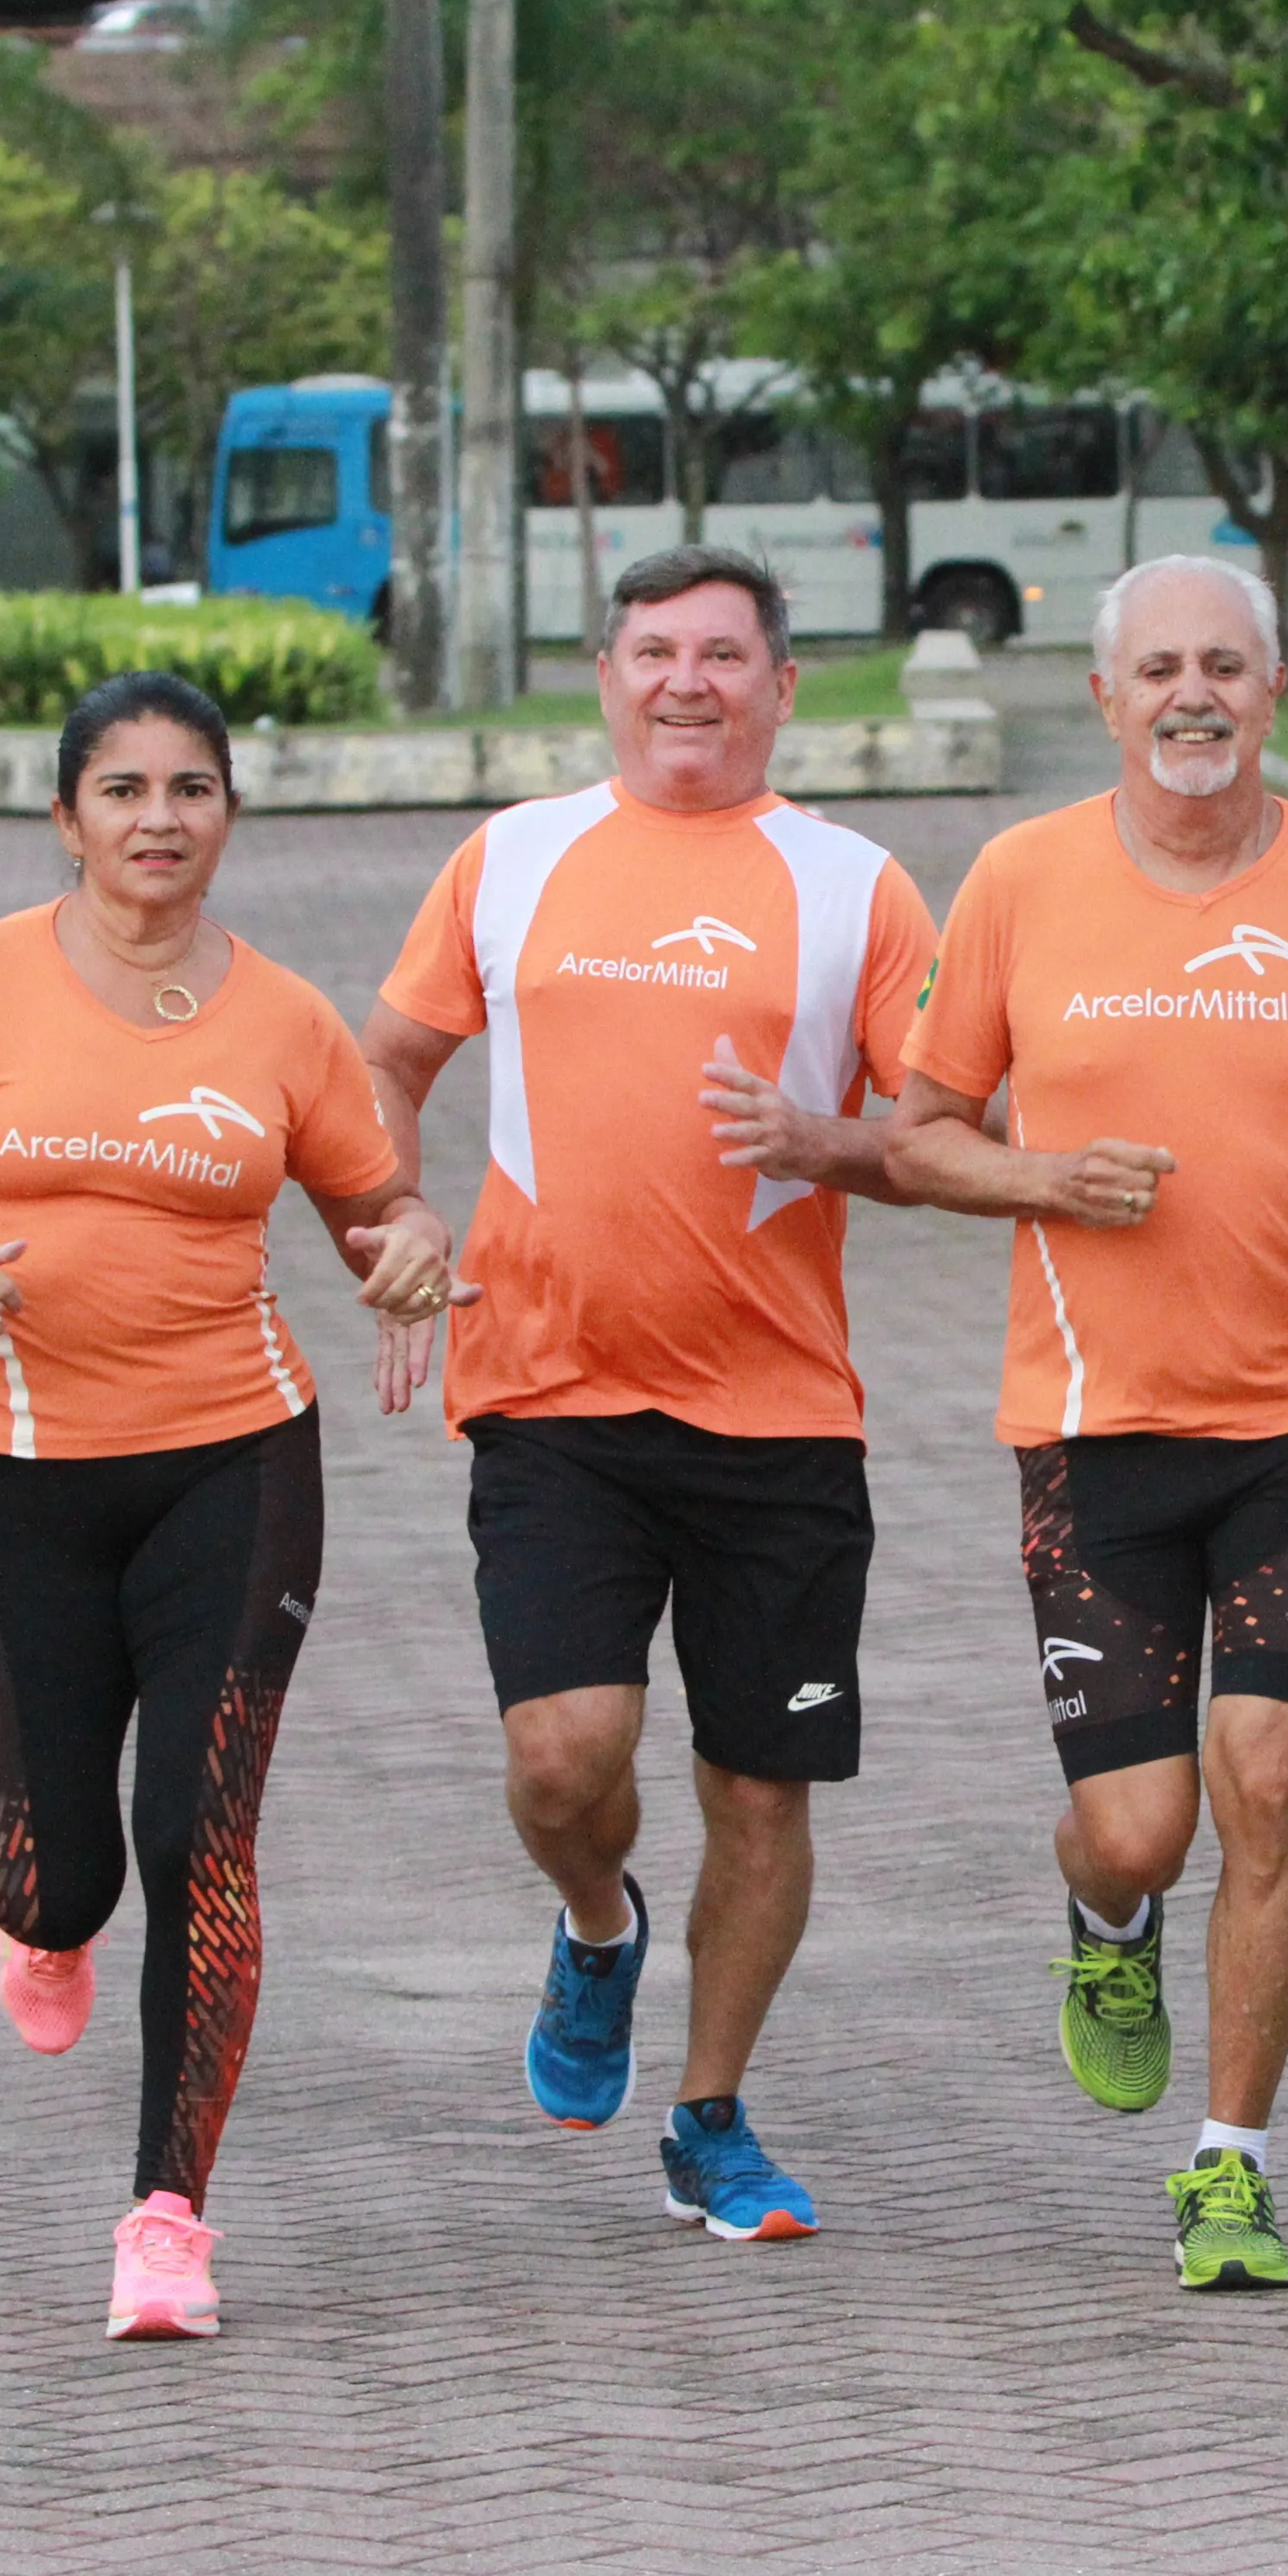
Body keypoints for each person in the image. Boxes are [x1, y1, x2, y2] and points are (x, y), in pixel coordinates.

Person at [0, 671, 438, 2339]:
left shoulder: (288, 1018)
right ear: (66, 816)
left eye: (194, 789)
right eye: (125, 789)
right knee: (58, 1873)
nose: (161, 818)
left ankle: (167, 2221)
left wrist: (412, 1259)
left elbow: (376, 1207)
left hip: (233, 1460)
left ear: (231, 813)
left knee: (199, 1837)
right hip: (3, 1477)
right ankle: (40, 1921)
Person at [886, 554, 1288, 2292]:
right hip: (1091, 1429)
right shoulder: (1019, 879)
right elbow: (920, 1132)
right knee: (1145, 1827)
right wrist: (1041, 1174)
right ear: (1105, 697)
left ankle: (1231, 2164)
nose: (1192, 696)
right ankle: (1107, 1914)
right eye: (1158, 670)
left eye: (1225, 665)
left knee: (1273, 1784)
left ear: (1278, 689)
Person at [357, 547, 938, 2245]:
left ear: (783, 686)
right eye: (655, 651)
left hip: (782, 1418)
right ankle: (598, 1926)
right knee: (566, 1756)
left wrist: (833, 1143)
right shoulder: (512, 860)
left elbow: (948, 1128)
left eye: (726, 655)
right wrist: (392, 1212)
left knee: (761, 1789)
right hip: (549, 1390)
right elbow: (386, 1061)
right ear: (605, 673)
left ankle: (709, 2116)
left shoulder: (859, 888)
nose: (689, 681)